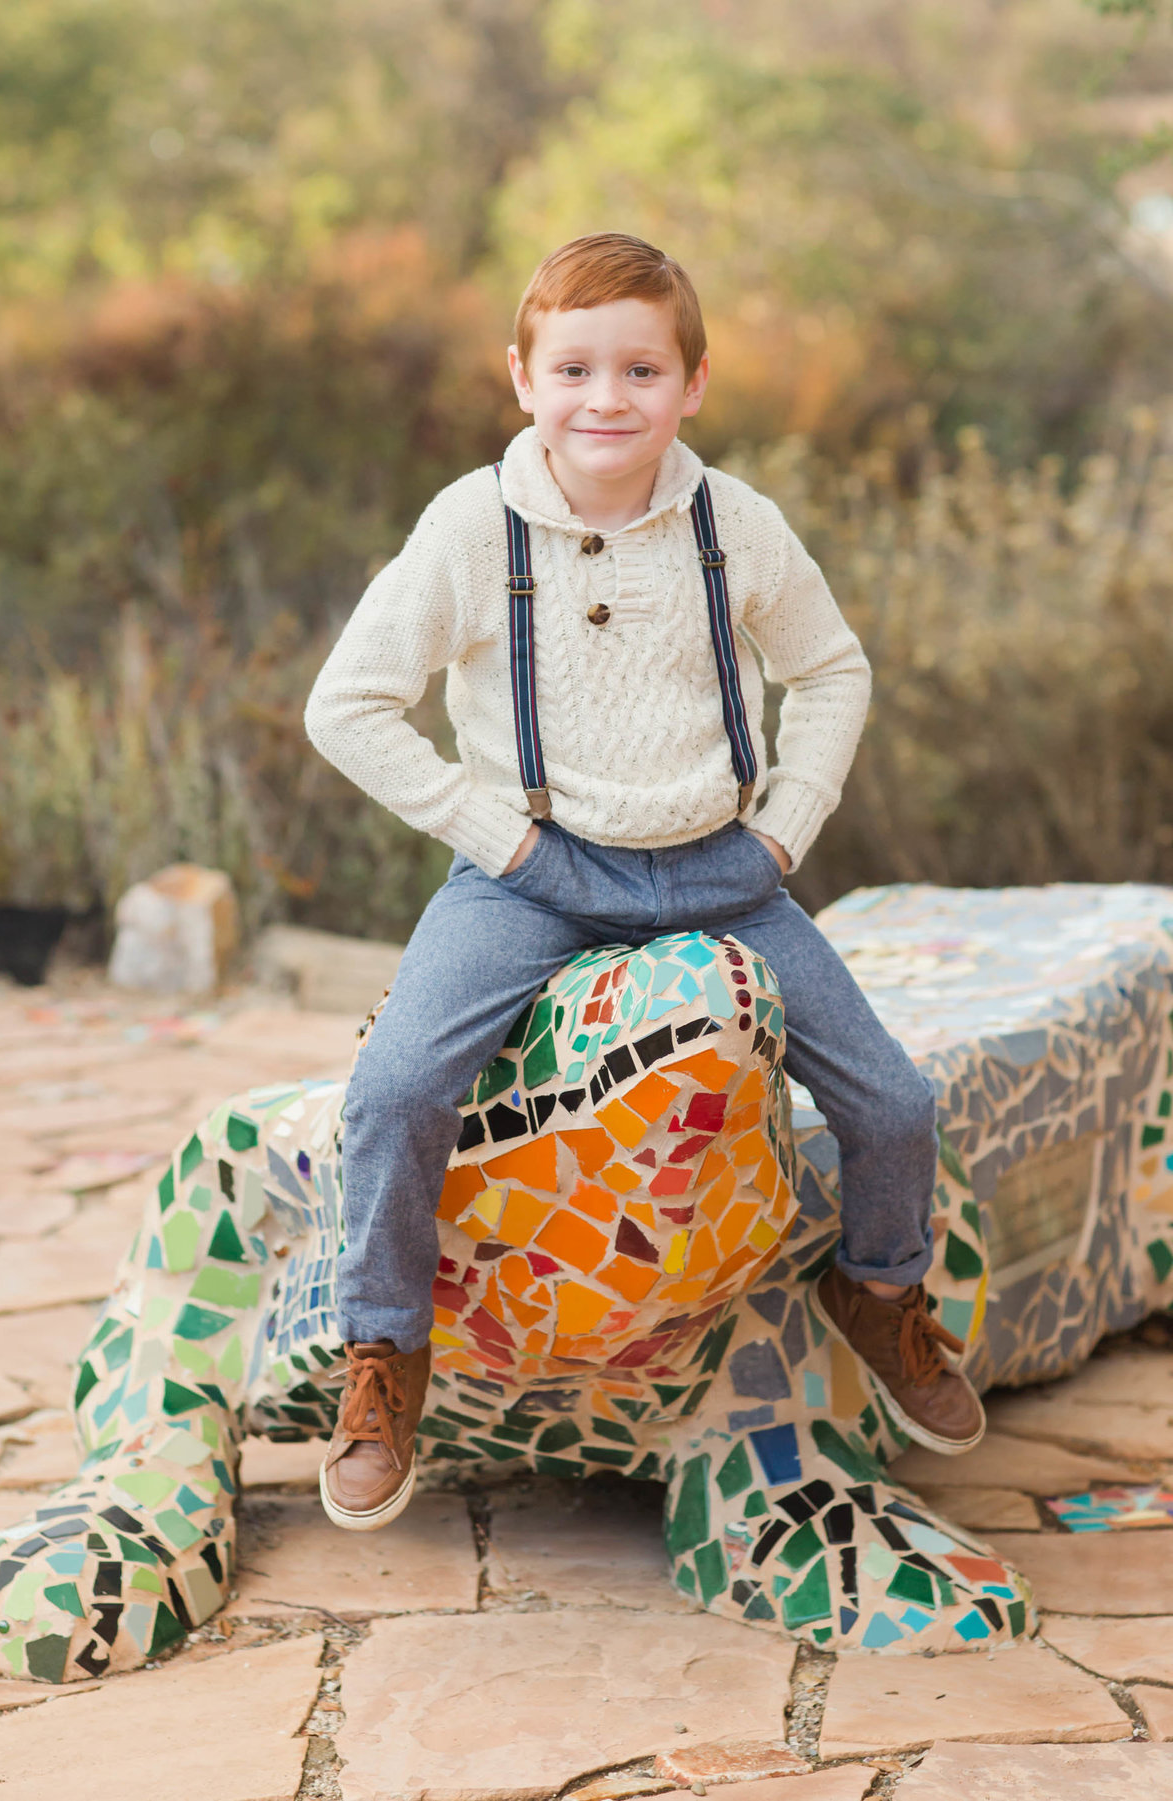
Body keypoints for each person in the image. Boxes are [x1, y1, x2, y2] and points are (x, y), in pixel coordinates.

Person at [303, 232, 984, 1534]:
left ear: (693, 381)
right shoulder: (471, 526)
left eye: (638, 368)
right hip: (531, 876)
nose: (604, 397)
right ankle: (385, 1352)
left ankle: (883, 1293)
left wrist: (786, 826)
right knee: (394, 1087)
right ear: (522, 377)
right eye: (573, 366)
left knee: (895, 1101)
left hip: (723, 872)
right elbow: (350, 704)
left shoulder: (734, 524)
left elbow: (832, 669)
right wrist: (493, 835)